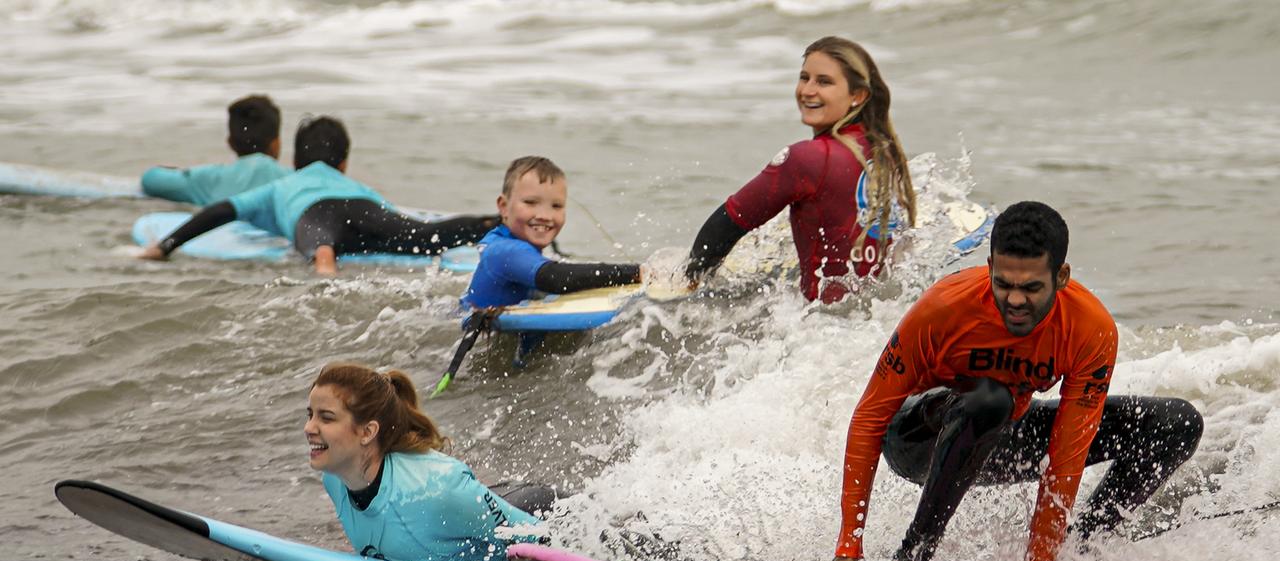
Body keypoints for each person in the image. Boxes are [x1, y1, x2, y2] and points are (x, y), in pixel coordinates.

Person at [806, 201, 1203, 561]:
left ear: (1061, 276)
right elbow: (871, 416)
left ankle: (1079, 555)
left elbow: (1065, 460)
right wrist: (847, 548)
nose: (1015, 301)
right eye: (1003, 284)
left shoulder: (1089, 329)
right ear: (991, 267)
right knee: (989, 401)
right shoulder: (944, 307)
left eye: (1031, 288)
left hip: (1003, 437)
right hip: (918, 438)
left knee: (1176, 423)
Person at [684, 36, 916, 304]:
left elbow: (727, 225)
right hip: (883, 312)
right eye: (804, 78)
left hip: (820, 322)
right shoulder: (885, 152)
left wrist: (690, 275)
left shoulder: (807, 159)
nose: (807, 90)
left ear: (858, 95)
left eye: (824, 81)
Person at [139, 116, 497, 275]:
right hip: (364, 209)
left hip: (315, 215)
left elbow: (223, 210)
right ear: (343, 163)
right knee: (425, 236)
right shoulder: (356, 186)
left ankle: (325, 267)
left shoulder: (281, 186)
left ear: (295, 161)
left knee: (321, 246)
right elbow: (388, 214)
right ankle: (493, 222)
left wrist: (166, 245)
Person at [305, 362, 556, 561]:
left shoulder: (437, 489)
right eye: (310, 415)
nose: (309, 428)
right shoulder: (335, 479)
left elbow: (543, 539)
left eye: (326, 418)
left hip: (541, 512)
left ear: (368, 432)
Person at [461, 156, 641, 309]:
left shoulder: (517, 247)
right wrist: (636, 272)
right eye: (530, 202)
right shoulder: (504, 251)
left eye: (556, 206)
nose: (545, 216)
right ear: (503, 206)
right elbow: (556, 278)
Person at [141, 94, 290, 204]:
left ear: (230, 143)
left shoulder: (208, 178)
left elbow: (150, 179)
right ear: (275, 144)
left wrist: (178, 172)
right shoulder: (292, 179)